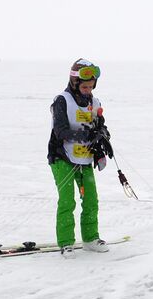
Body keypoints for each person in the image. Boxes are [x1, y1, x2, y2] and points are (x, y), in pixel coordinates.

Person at [48, 58, 113, 255]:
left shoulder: (94, 102)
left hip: (85, 158)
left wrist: (103, 135)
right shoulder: (62, 101)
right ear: (75, 82)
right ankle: (66, 242)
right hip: (62, 158)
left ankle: (91, 238)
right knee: (68, 201)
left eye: (91, 86)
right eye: (85, 86)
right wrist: (84, 135)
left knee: (91, 200)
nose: (88, 90)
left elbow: (100, 125)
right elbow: (60, 131)